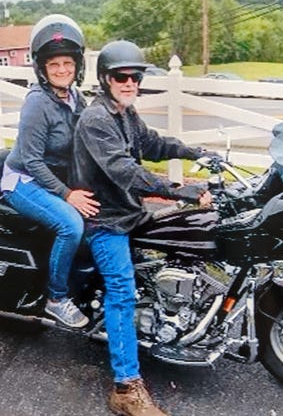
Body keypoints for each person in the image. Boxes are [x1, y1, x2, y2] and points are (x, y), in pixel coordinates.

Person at [71, 39, 220, 416]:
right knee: (121, 290)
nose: (130, 82)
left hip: (129, 211)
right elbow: (125, 170)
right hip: (105, 219)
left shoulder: (124, 113)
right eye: (121, 76)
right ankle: (126, 387)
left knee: (183, 243)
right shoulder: (96, 119)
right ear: (105, 79)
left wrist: (194, 152)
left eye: (135, 76)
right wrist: (178, 190)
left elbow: (152, 143)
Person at [0, 14, 100, 328]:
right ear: (42, 68)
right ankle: (57, 297)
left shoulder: (75, 98)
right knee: (70, 223)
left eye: (67, 63)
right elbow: (31, 161)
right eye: (54, 65)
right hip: (23, 181)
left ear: (77, 65)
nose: (62, 70)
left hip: (53, 179)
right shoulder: (37, 103)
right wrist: (68, 194)